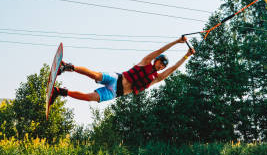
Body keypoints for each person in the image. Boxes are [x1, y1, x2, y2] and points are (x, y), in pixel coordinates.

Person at [50, 36, 194, 105]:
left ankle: (60, 91)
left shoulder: (156, 78)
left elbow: (174, 68)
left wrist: (186, 55)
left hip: (116, 92)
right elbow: (160, 50)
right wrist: (177, 41)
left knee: (89, 98)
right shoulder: (145, 62)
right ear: (156, 60)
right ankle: (66, 67)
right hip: (117, 78)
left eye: (163, 66)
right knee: (94, 74)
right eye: (160, 62)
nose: (161, 66)